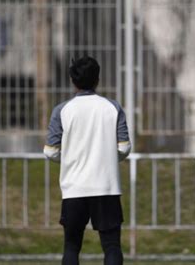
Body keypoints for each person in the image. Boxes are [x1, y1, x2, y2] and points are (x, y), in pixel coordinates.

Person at [43, 56, 131, 265]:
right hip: (106, 186)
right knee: (111, 246)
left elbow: (50, 151)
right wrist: (106, 157)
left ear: (73, 81)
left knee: (72, 246)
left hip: (74, 187)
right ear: (97, 79)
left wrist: (70, 159)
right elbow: (124, 147)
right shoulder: (112, 107)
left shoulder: (62, 110)